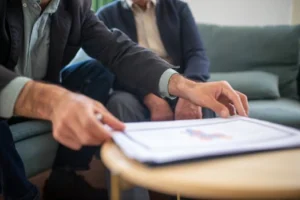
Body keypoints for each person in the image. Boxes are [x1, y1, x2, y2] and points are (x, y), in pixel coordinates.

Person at [0, 1, 248, 200]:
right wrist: (50, 99)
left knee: (97, 70)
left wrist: (188, 87)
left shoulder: (77, 6)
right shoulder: (109, 10)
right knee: (119, 103)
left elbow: (118, 51)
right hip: (8, 95)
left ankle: (65, 176)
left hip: (165, 79)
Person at [73, 0, 215, 122]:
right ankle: (130, 153)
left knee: (203, 100)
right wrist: (149, 96)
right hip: (134, 87)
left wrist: (191, 89)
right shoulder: (106, 15)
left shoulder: (178, 8)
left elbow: (196, 53)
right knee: (120, 103)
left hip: (178, 81)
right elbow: (113, 64)